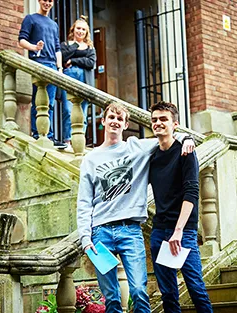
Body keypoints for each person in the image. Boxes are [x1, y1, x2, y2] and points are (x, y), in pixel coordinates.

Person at [77, 103, 194, 313]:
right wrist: (86, 239)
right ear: (103, 121)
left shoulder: (137, 147)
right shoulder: (90, 159)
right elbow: (84, 202)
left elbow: (168, 137)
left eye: (119, 119)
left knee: (139, 291)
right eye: (111, 117)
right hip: (100, 233)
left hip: (130, 231)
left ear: (125, 124)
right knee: (111, 297)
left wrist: (187, 137)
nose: (115, 121)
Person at [148, 101, 213, 313]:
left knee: (196, 288)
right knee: (168, 293)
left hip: (183, 232)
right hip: (159, 231)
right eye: (155, 119)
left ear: (175, 123)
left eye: (163, 119)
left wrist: (178, 231)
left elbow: (192, 192)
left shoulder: (186, 152)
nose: (158, 123)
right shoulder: (152, 155)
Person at [18, 0, 67, 148]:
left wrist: (59, 68)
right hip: (38, 63)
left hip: (53, 66)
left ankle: (48, 135)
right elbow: (21, 40)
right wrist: (34, 47)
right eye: (45, 0)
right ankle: (38, 133)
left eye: (50, 1)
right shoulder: (30, 19)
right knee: (39, 101)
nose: (47, 3)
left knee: (49, 103)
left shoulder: (54, 24)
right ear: (39, 1)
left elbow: (57, 48)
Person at [61, 16, 96, 146]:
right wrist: (75, 44)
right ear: (73, 29)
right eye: (78, 28)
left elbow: (91, 62)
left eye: (83, 29)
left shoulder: (90, 48)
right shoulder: (65, 45)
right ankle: (68, 140)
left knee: (82, 111)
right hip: (69, 77)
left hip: (84, 80)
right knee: (68, 109)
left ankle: (79, 141)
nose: (80, 31)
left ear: (86, 32)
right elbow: (63, 57)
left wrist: (73, 61)